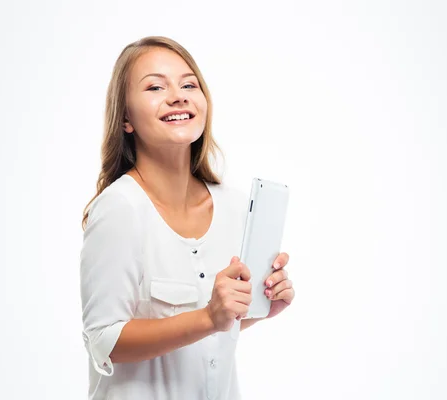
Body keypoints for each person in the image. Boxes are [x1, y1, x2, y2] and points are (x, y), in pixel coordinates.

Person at [79, 36, 295, 400]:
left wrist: (259, 308)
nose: (178, 95)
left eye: (189, 84)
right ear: (126, 118)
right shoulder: (120, 208)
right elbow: (104, 340)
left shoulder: (236, 207)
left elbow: (211, 335)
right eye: (155, 86)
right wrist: (209, 317)